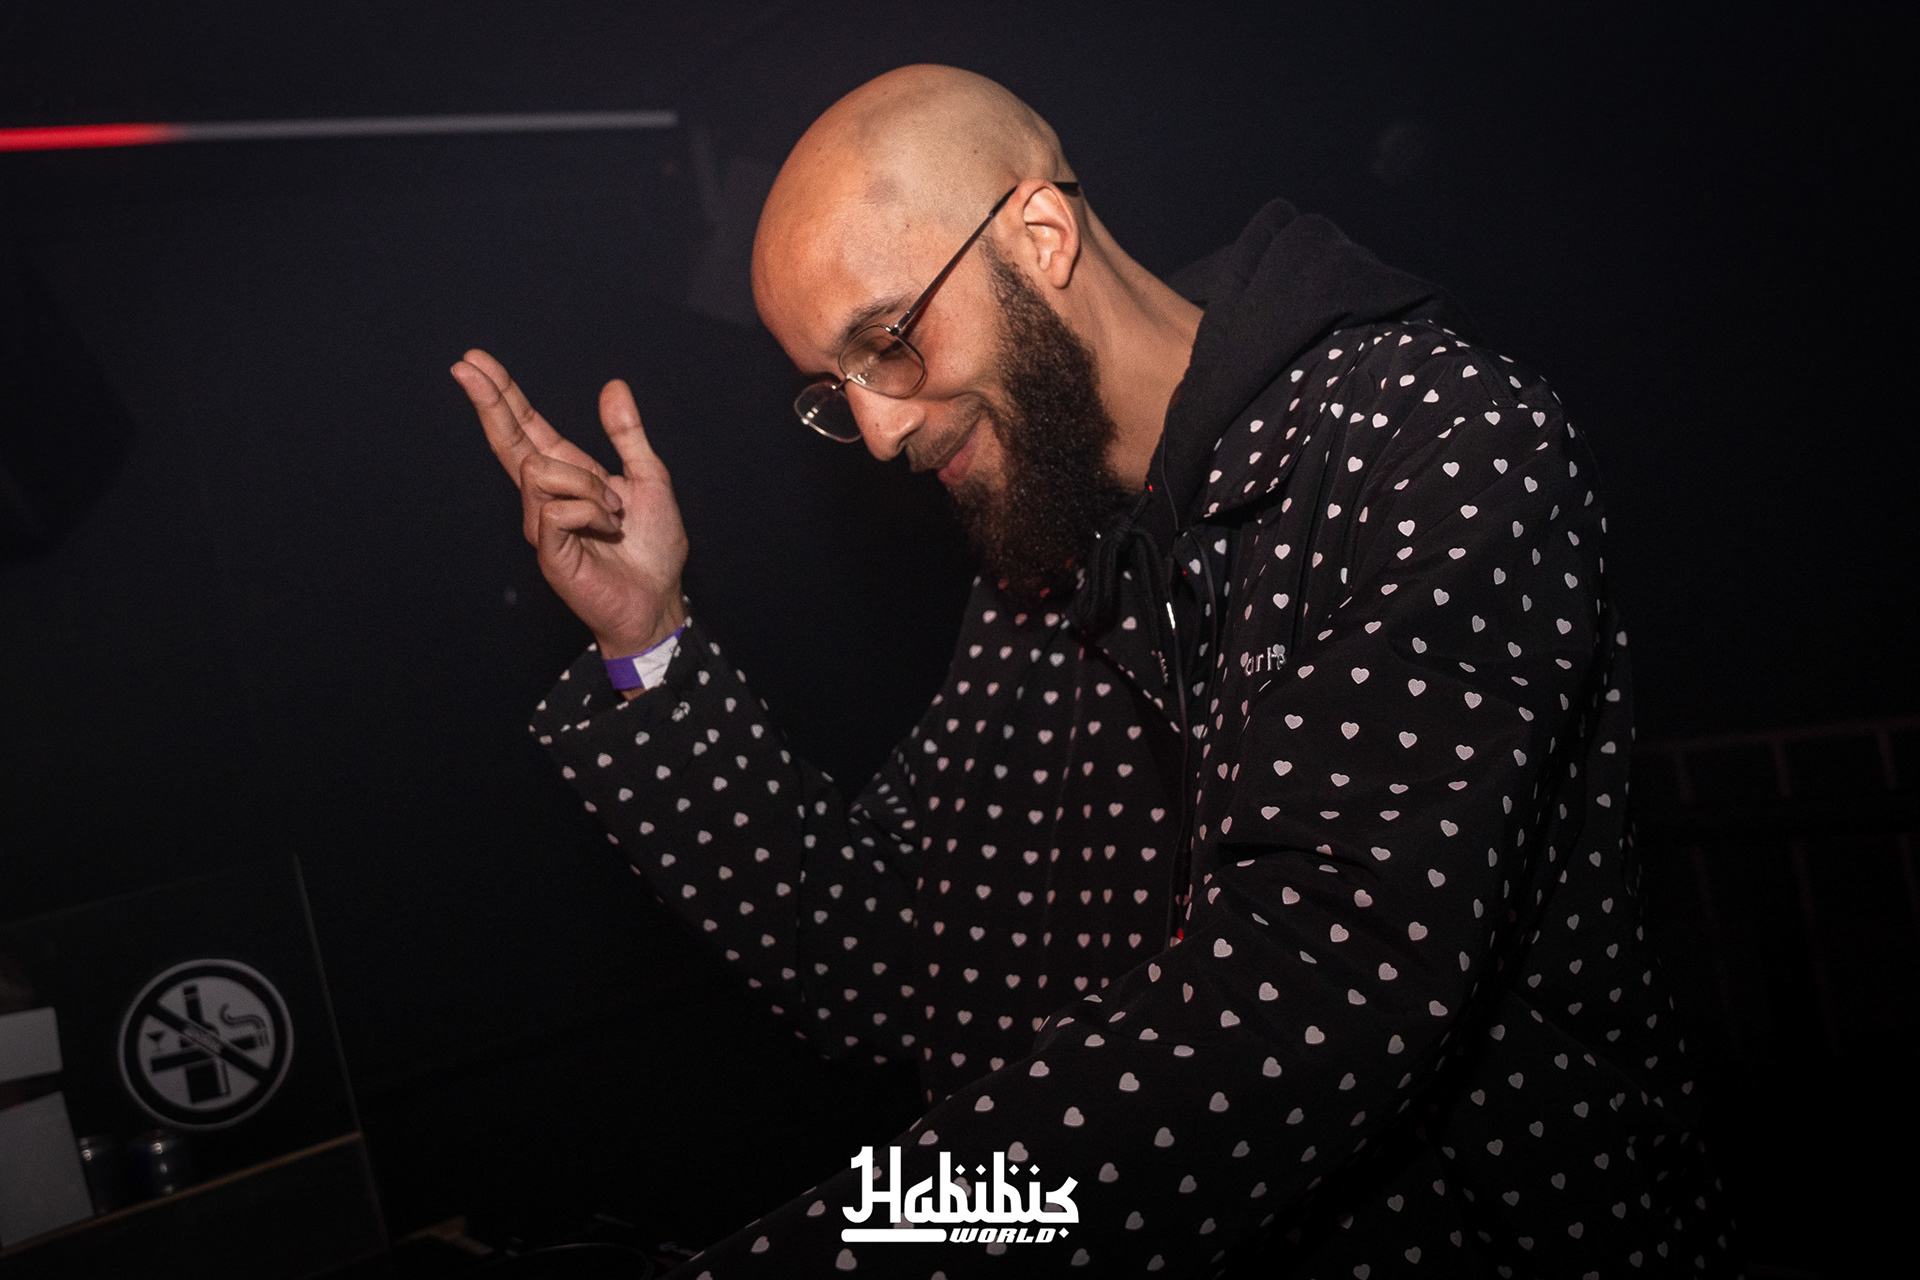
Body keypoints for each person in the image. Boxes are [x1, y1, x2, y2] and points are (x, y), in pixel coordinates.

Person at [453, 64, 1733, 1279]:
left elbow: (1303, 1006)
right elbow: (878, 953)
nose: (880, 429)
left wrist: (842, 1254)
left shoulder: (1429, 440)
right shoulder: (1044, 564)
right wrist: (650, 644)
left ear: (1040, 236)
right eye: (837, 388)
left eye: (888, 338)